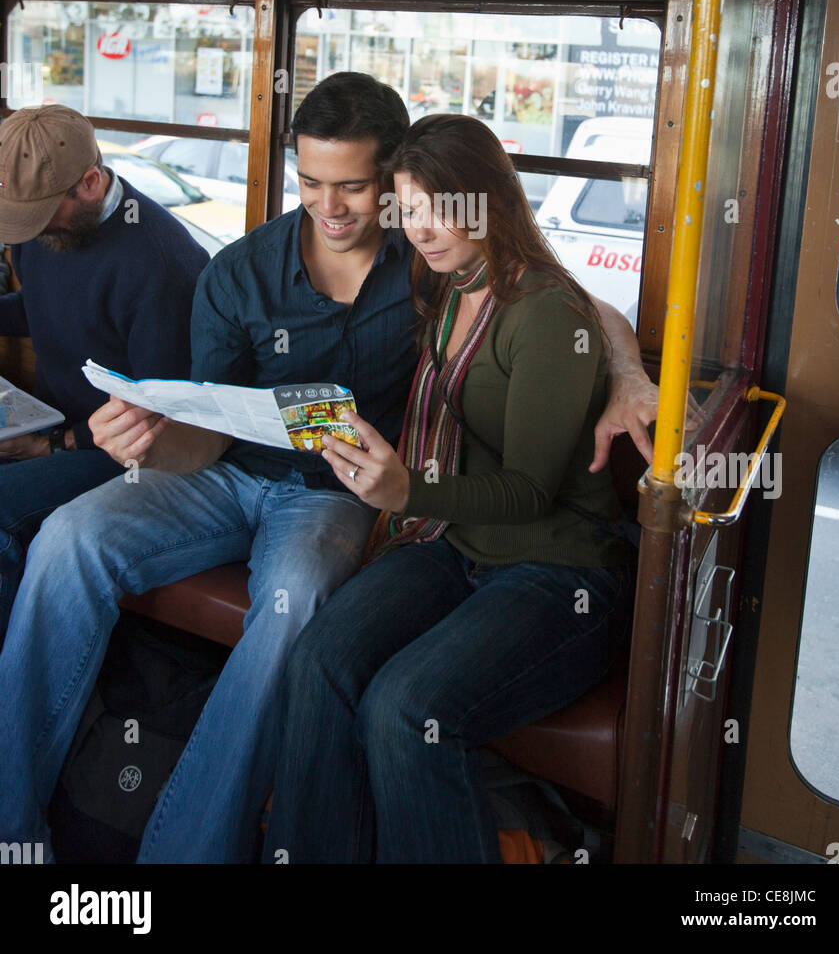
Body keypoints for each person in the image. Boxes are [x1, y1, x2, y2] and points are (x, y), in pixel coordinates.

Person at [0, 74, 656, 865]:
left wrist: (627, 375)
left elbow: (569, 302)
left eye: (354, 186)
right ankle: (12, 831)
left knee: (294, 601)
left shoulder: (428, 260)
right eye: (310, 183)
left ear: (395, 178)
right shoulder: (241, 269)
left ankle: (185, 854)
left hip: (338, 497)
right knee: (66, 538)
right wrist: (147, 442)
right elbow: (202, 440)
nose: (331, 206)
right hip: (223, 474)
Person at [264, 113, 637, 864]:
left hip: (557, 570)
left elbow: (530, 490)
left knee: (406, 709)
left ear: (491, 201)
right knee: (317, 660)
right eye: (410, 209)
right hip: (458, 544)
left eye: (443, 208)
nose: (424, 229)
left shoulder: (546, 312)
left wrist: (406, 492)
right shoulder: (446, 283)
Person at [0, 104, 209, 644]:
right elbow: (47, 309)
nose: (29, 231)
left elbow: (160, 426)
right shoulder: (38, 228)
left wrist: (51, 445)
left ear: (90, 182)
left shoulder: (161, 265)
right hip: (52, 425)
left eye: (42, 215)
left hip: (126, 458)